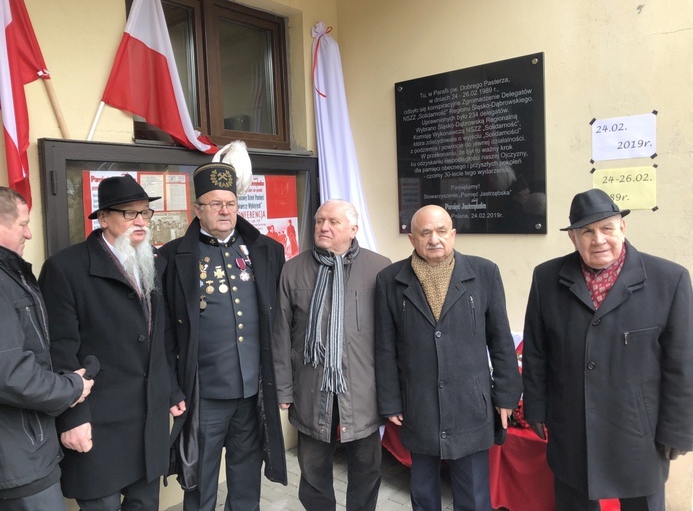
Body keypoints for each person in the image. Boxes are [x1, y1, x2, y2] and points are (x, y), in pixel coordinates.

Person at [522, 188, 693, 510]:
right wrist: (536, 407)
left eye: (607, 228)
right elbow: (536, 352)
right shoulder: (547, 279)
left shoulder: (669, 280)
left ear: (622, 229)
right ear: (573, 238)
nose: (598, 239)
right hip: (571, 425)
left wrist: (679, 429)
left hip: (639, 431)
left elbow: (682, 363)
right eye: (586, 231)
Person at [160, 142, 287, 511]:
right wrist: (173, 389)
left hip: (252, 390)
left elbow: (279, 321)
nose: (224, 211)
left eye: (230, 204)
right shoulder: (173, 257)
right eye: (215, 204)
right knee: (198, 478)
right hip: (205, 393)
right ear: (197, 209)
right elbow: (166, 332)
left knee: (247, 474)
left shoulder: (266, 251)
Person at [38, 175, 174, 511]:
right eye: (129, 213)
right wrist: (72, 419)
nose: (140, 221)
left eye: (145, 212)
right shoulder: (66, 268)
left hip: (147, 419)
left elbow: (160, 339)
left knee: (144, 504)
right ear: (103, 218)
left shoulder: (154, 262)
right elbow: (59, 351)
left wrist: (171, 392)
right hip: (97, 421)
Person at [375, 204, 521, 511]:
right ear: (412, 239)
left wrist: (506, 395)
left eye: (441, 231)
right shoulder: (390, 280)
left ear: (453, 234)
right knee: (425, 493)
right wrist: (390, 401)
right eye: (425, 232)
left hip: (471, 404)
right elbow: (385, 347)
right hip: (419, 405)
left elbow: (500, 339)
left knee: (474, 496)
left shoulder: (484, 273)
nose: (434, 239)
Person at [272, 199, 391, 511]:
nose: (323, 227)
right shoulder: (293, 269)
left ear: (353, 229)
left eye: (333, 222)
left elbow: (391, 339)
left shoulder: (379, 268)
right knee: (313, 472)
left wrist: (393, 394)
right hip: (311, 390)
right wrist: (283, 387)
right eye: (319, 221)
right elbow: (281, 333)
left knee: (366, 469)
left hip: (363, 392)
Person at [0, 187, 93, 511]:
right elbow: (10, 373)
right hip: (18, 458)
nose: (29, 232)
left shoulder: (10, 275)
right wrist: (72, 387)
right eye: (22, 223)